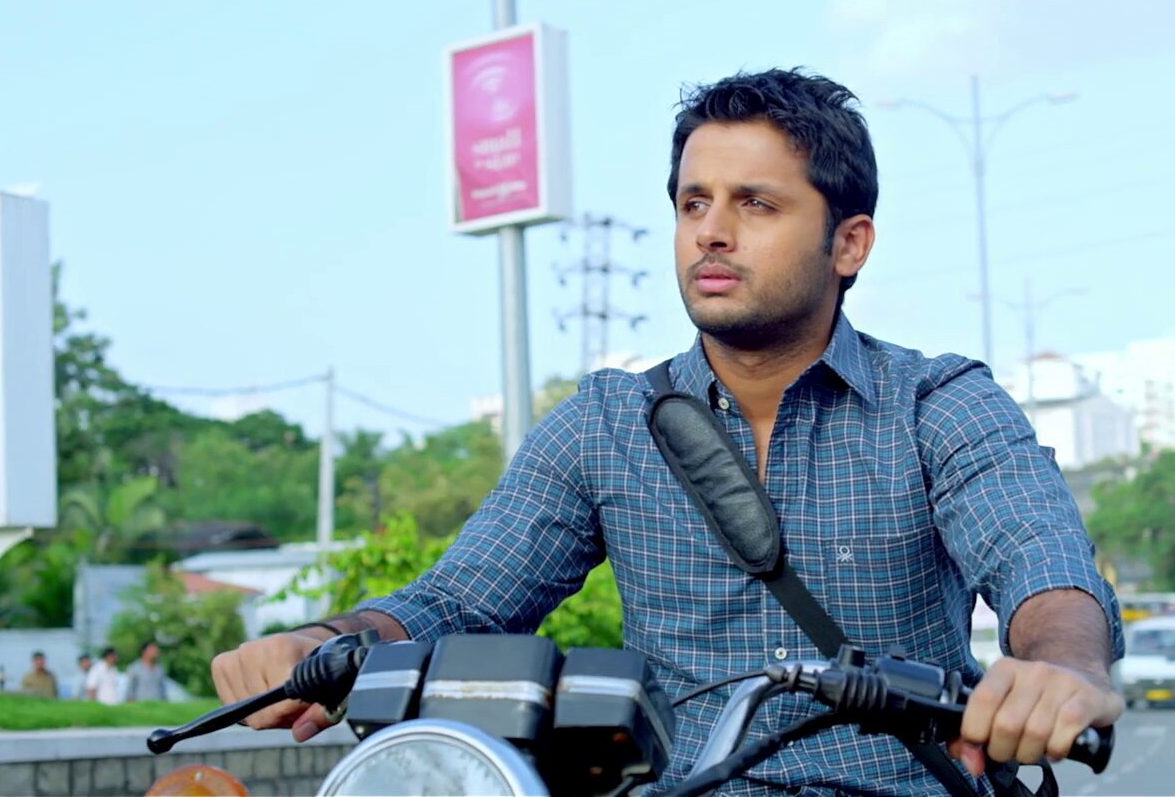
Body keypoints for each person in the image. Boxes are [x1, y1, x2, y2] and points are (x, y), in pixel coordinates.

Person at [210, 67, 1124, 796]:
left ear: (849, 244)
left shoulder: (938, 404)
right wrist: (322, 641)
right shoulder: (605, 424)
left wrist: (1059, 671)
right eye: (694, 204)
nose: (711, 233)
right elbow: (460, 601)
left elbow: (1046, 572)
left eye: (755, 204)